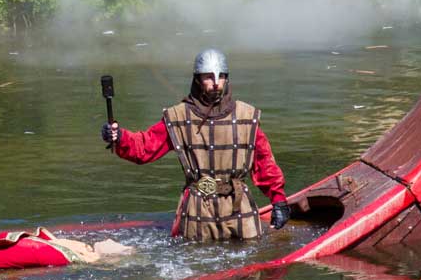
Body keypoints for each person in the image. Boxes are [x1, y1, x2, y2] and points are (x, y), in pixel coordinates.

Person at [101, 48, 289, 240]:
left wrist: (279, 200)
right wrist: (119, 136)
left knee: (251, 263)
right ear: (198, 79)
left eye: (221, 76)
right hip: (197, 210)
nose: (216, 83)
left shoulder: (246, 117)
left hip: (239, 207)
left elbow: (264, 163)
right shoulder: (178, 117)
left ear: (227, 78)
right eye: (209, 77)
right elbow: (145, 147)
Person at [0, 227, 135, 273]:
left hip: (28, 249)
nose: (109, 239)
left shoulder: (67, 257)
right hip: (27, 245)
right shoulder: (77, 250)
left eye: (115, 245)